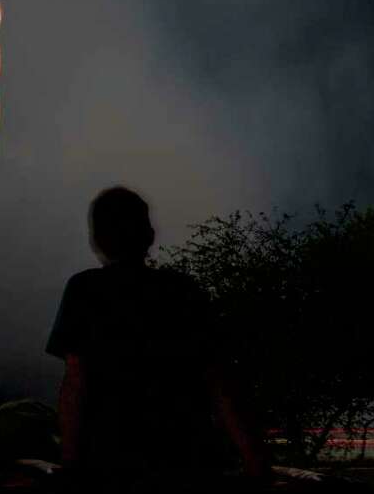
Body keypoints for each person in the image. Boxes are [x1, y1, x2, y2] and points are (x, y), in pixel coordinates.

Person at [46, 186, 266, 478]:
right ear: (149, 235)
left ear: (97, 239)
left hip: (109, 467)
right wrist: (255, 460)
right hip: (186, 463)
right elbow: (220, 382)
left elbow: (76, 381)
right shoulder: (184, 291)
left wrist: (70, 463)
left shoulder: (84, 291)